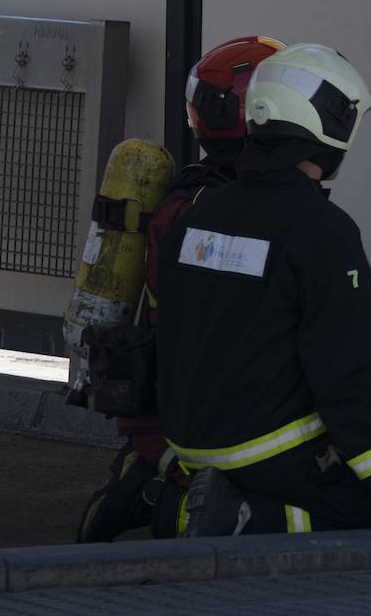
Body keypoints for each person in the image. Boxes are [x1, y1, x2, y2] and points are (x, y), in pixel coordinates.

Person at [154, 43, 371, 536]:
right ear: (330, 131)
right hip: (263, 449)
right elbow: (347, 370)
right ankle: (244, 518)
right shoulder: (323, 230)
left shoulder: (198, 213)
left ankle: (178, 501)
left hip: (188, 442)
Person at [77, 35, 285, 543]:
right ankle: (161, 497)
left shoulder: (190, 198)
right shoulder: (227, 211)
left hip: (162, 397)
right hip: (200, 404)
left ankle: (143, 486)